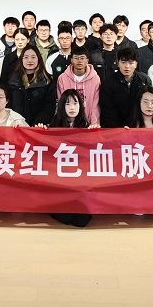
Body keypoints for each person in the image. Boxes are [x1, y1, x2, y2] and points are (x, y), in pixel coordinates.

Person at [48, 89, 94, 228]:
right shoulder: (54, 125)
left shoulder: (86, 126)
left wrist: (95, 134)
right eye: (67, 104)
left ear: (80, 105)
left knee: (82, 221)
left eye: (75, 103)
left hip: (79, 179)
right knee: (65, 216)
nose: (72, 107)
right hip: (59, 179)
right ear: (62, 106)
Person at [100, 47, 151, 128]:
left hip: (138, 125)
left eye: (131, 63)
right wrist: (118, 129)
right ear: (118, 63)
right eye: (123, 62)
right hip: (116, 127)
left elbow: (149, 103)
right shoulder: (108, 82)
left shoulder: (144, 80)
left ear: (136, 64)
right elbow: (107, 110)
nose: (127, 66)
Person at [7, 45, 56, 126]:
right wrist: (16, 120)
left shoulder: (47, 81)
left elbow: (49, 106)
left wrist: (39, 122)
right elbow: (8, 104)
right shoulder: (12, 80)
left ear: (38, 59)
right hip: (17, 125)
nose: (30, 60)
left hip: (38, 126)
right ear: (21, 60)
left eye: (33, 57)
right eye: (26, 57)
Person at [56, 45, 101, 126]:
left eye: (82, 58)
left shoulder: (95, 79)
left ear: (87, 60)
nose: (79, 61)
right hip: (68, 124)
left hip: (89, 124)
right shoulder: (62, 78)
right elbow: (62, 102)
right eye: (76, 58)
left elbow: (96, 104)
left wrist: (94, 123)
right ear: (71, 60)